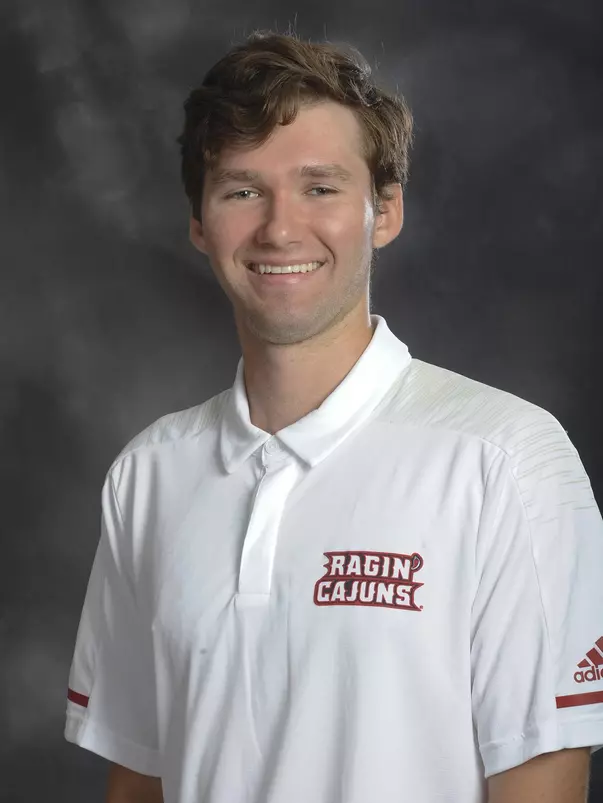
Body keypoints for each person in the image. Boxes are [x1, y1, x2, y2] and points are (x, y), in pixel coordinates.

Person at [65, 28, 603, 803]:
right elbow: (138, 780)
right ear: (198, 223)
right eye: (242, 189)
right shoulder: (148, 474)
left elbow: (542, 782)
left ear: (383, 212)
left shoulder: (504, 459)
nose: (280, 228)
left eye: (319, 187)